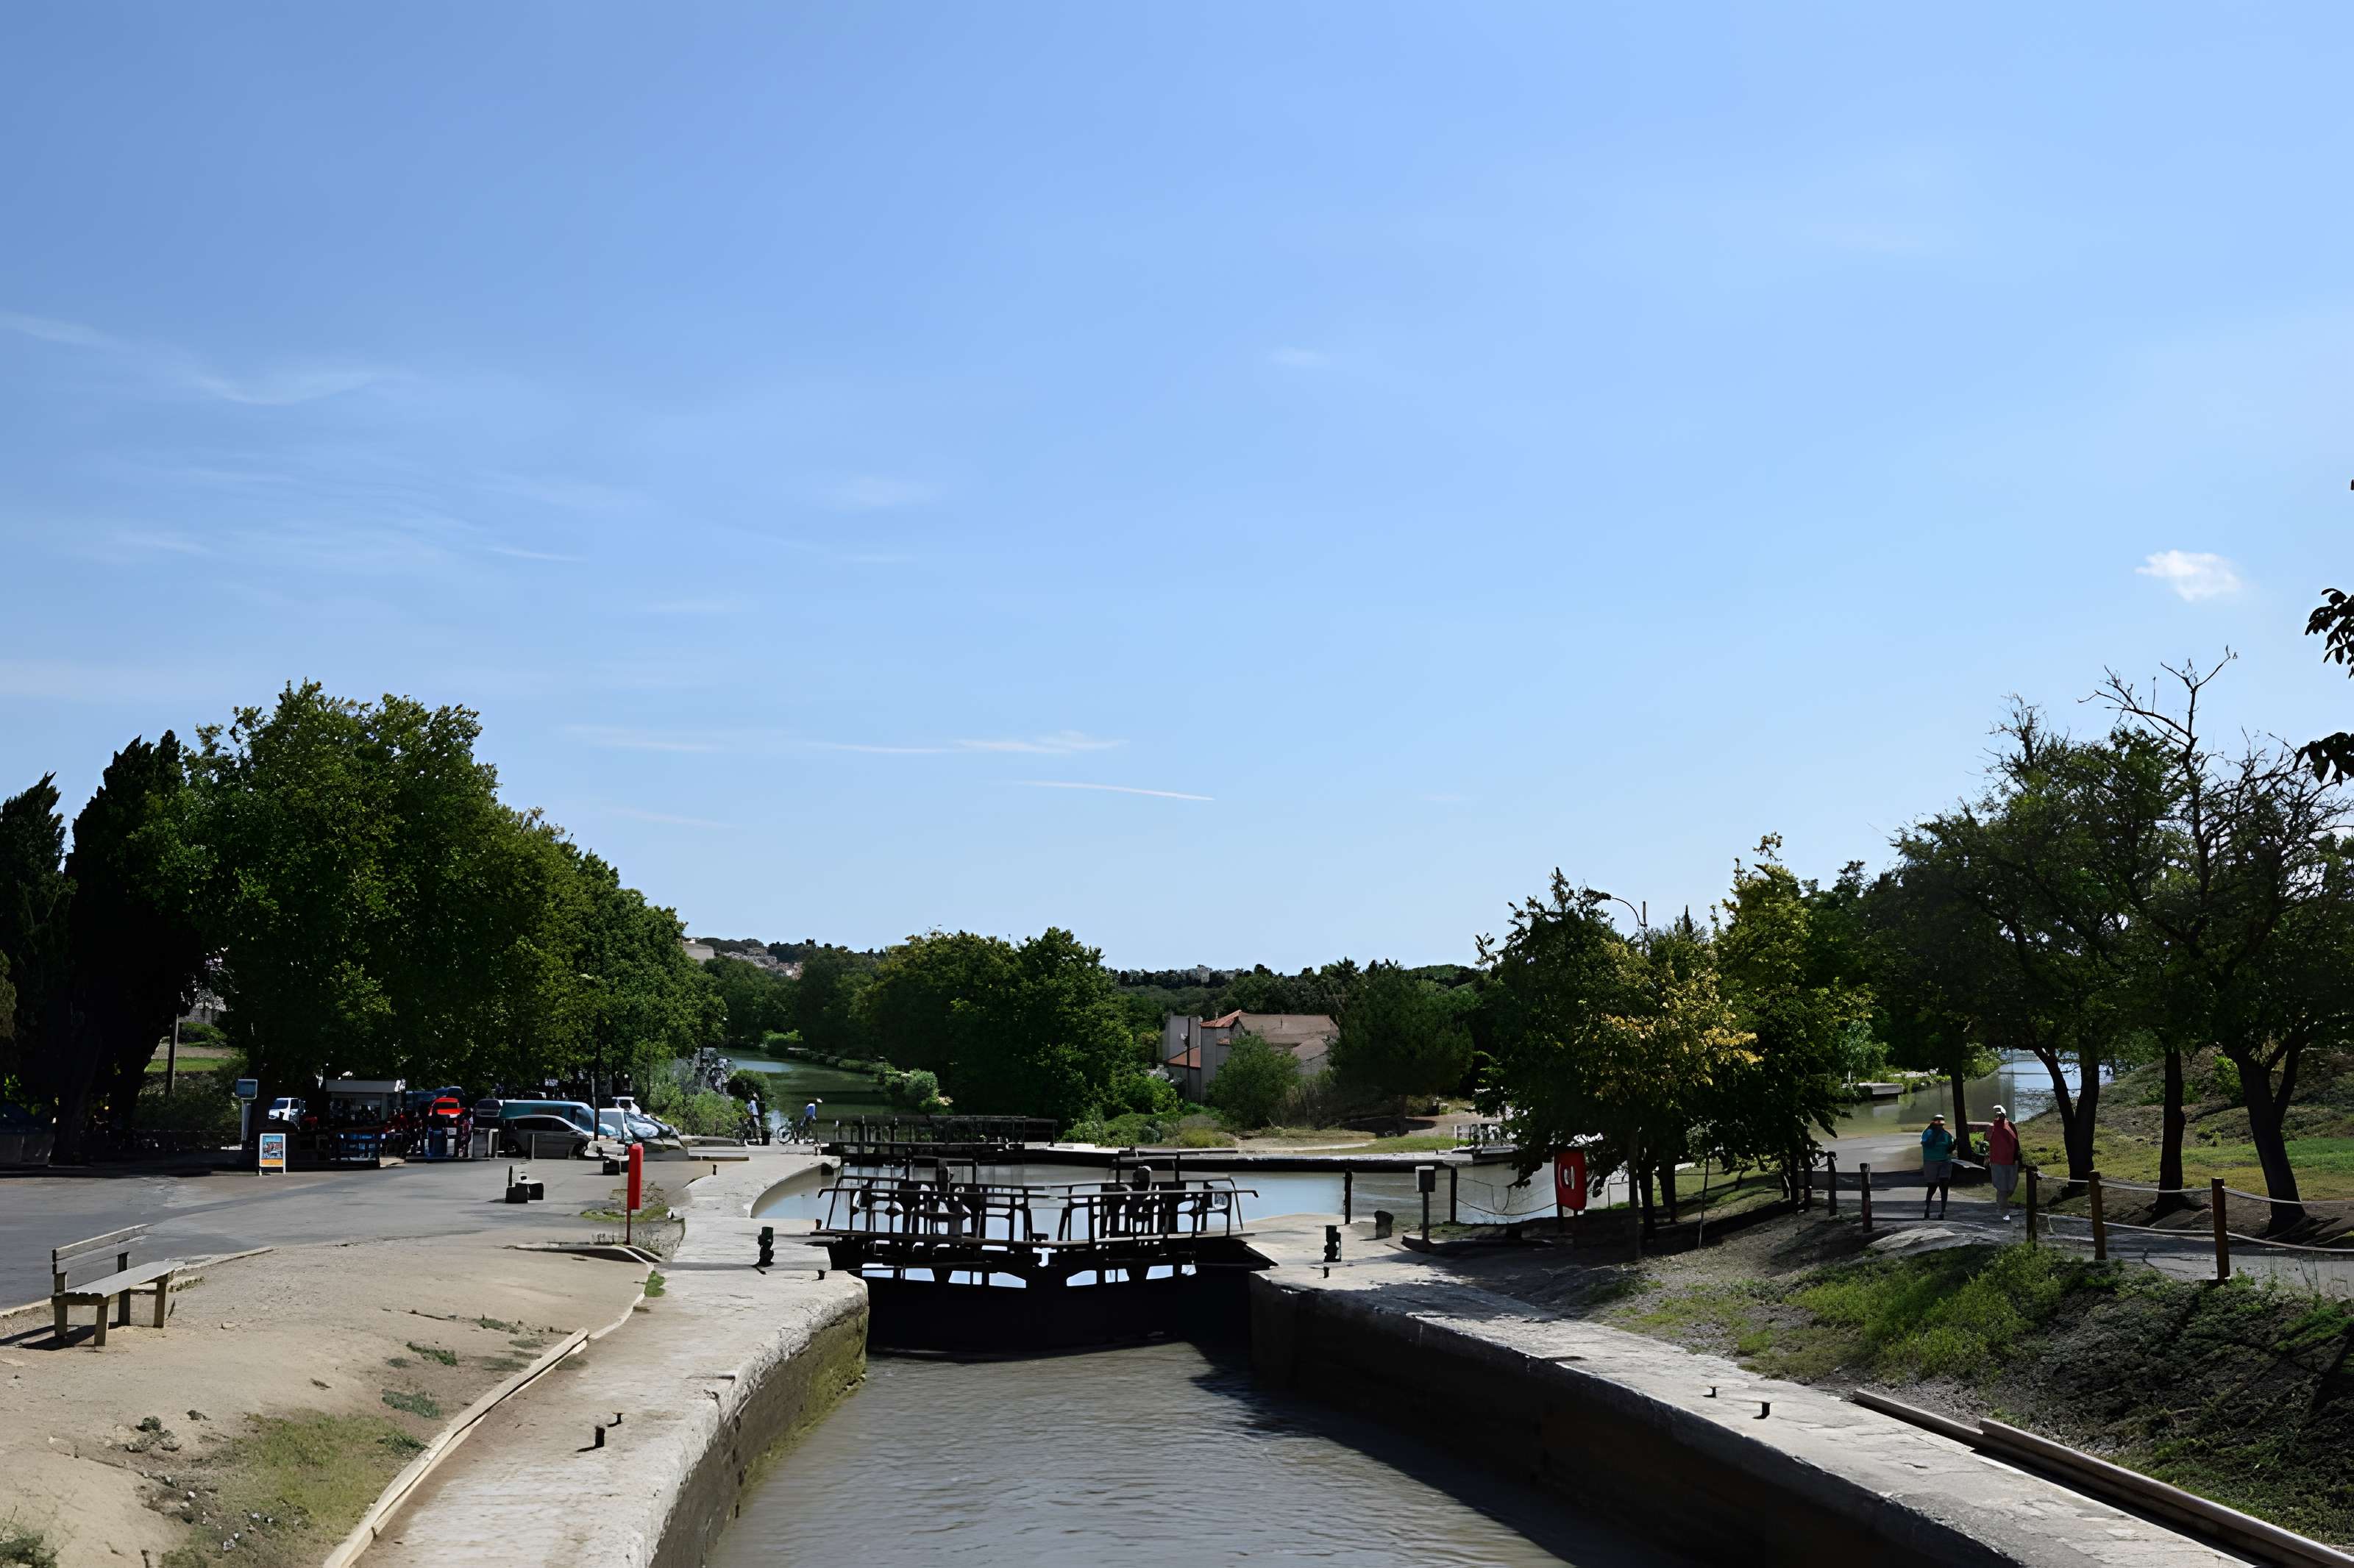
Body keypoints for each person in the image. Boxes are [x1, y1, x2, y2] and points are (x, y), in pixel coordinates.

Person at [1977, 1105, 2021, 1223]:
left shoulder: (2010, 1125)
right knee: (2002, 1188)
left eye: (2001, 1114)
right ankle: (2004, 1212)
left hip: (2011, 1161)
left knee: (2011, 1186)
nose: (1999, 1116)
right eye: (1997, 1114)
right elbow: (1987, 1138)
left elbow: (2016, 1141)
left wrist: (2018, 1157)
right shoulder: (1992, 1127)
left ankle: (2003, 1204)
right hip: (1998, 1162)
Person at [1919, 1113, 1955, 1219]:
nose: (1940, 1126)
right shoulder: (1927, 1133)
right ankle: (1927, 1208)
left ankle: (1943, 1211)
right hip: (1931, 1162)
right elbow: (1926, 1144)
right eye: (1937, 1123)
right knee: (1932, 1187)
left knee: (1944, 1186)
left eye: (1941, 1124)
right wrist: (1935, 1135)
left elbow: (1950, 1148)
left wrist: (1954, 1145)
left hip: (1945, 1161)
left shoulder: (1947, 1135)